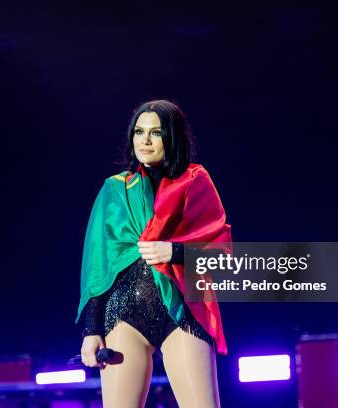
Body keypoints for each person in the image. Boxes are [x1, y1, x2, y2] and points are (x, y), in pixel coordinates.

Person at [75, 99, 231, 407]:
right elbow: (98, 267)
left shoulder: (195, 181)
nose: (144, 140)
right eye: (138, 131)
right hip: (123, 314)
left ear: (171, 137)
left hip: (183, 312)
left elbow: (221, 256)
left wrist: (173, 251)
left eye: (155, 133)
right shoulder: (114, 190)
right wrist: (91, 330)